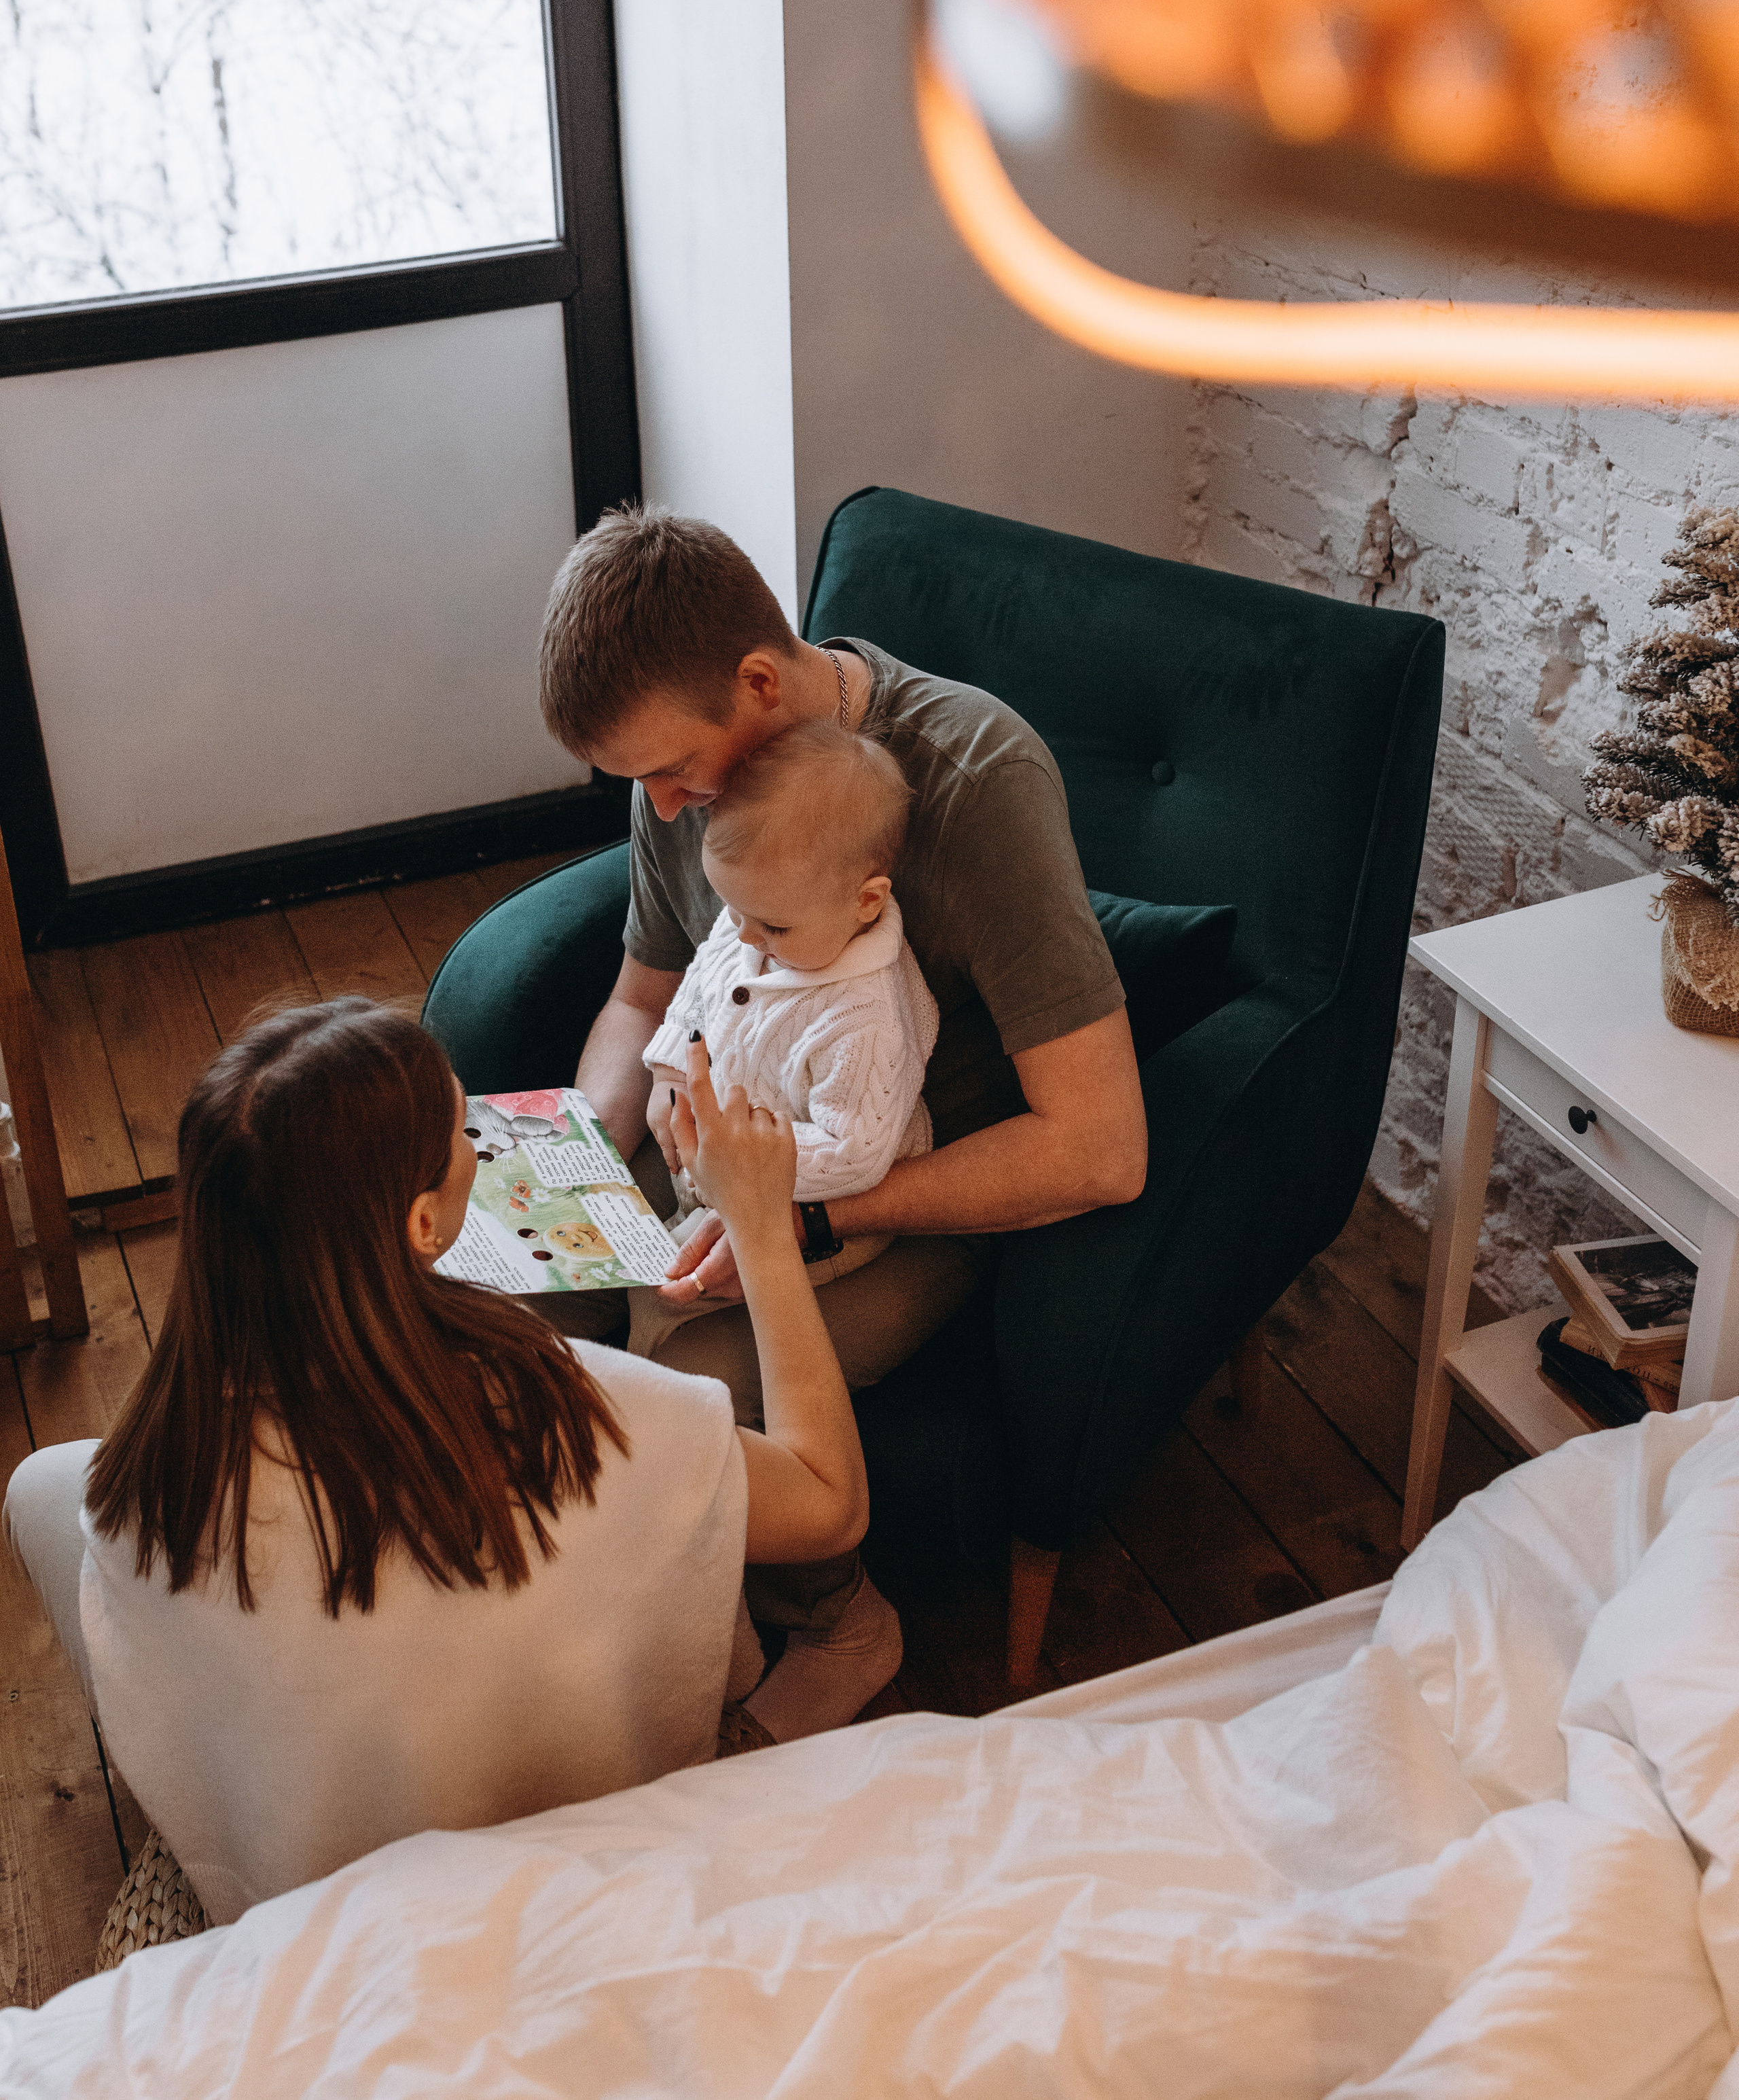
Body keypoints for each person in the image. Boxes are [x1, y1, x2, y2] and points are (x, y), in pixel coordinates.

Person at [2, 999, 867, 1927]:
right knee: (682, 1489)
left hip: (304, 1877)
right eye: (463, 1129)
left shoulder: (157, 1473)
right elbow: (828, 1504)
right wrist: (764, 1227)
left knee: (42, 1485)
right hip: (572, 1828)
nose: (479, 1140)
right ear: (422, 1224)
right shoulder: (577, 1407)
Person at [538, 505, 1148, 1740]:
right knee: (482, 1296)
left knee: (692, 1390)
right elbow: (637, 999)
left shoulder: (974, 780)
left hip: (901, 1188)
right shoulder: (689, 788)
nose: (658, 810)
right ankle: (535, 1605)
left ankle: (838, 1619)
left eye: (667, 771)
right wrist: (583, 1149)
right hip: (722, 1150)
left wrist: (803, 1216)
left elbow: (1099, 1144)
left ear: (759, 681)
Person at [630, 716, 939, 1360]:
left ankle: (642, 1379)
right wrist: (667, 1070)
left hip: (823, 1202)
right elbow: (699, 989)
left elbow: (853, 1151)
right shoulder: (759, 918)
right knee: (638, 1261)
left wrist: (739, 1170)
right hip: (722, 1166)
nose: (743, 937)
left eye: (768, 925)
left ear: (867, 902)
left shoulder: (865, 1017)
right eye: (734, 911)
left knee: (674, 1307)